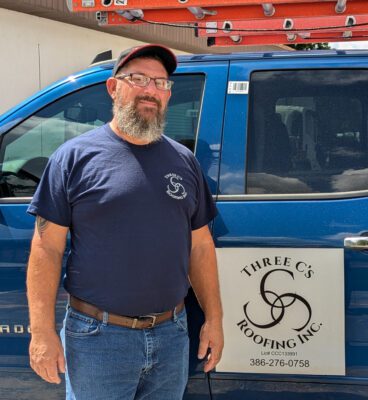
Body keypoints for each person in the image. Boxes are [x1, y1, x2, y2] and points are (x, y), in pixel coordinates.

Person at [26, 43, 224, 400]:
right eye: (138, 79)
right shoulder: (74, 158)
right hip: (98, 338)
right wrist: (41, 333)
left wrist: (214, 319)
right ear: (113, 87)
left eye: (161, 83)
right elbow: (46, 248)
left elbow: (201, 245)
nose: (151, 90)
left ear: (168, 95)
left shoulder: (185, 162)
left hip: (171, 334)